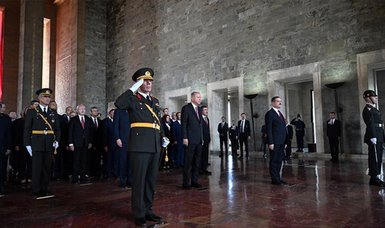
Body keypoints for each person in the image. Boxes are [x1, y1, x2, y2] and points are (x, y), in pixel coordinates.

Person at [115, 67, 166, 226]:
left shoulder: (155, 101)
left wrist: (163, 136)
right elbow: (119, 103)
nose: (149, 83)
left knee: (151, 181)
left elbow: (158, 121)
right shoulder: (132, 98)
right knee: (139, 181)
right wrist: (133, 88)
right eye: (145, 81)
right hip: (139, 146)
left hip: (155, 145)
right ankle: (138, 213)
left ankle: (148, 210)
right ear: (139, 83)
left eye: (150, 81)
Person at [23, 88, 61, 199]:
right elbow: (27, 129)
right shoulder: (32, 112)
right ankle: (36, 189)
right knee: (36, 167)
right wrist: (27, 144)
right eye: (45, 96)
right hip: (36, 143)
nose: (47, 99)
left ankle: (45, 189)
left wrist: (57, 141)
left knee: (46, 168)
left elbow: (57, 129)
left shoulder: (53, 112)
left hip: (49, 144)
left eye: (49, 97)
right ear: (39, 98)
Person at [362, 90, 385, 187]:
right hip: (373, 136)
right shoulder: (368, 109)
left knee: (378, 157)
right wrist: (373, 136)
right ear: (368, 98)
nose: (376, 98)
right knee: (374, 158)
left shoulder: (373, 108)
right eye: (374, 97)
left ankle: (375, 177)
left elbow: (379, 124)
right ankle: (374, 178)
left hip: (378, 135)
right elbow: (370, 123)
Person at [181, 91, 203, 189]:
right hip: (189, 140)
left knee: (197, 162)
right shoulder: (186, 108)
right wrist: (185, 137)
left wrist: (201, 138)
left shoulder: (199, 109)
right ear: (192, 98)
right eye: (198, 97)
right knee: (188, 162)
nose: (200, 99)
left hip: (198, 140)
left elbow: (200, 125)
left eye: (200, 97)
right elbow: (184, 124)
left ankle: (194, 181)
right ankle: (186, 183)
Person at [265, 96, 288, 185]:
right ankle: (275, 180)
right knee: (274, 160)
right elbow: (269, 129)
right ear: (273, 103)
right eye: (278, 101)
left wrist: (285, 141)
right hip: (274, 142)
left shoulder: (280, 113)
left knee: (279, 160)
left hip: (281, 141)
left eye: (280, 101)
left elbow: (283, 127)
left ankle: (278, 178)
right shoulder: (270, 114)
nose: (280, 103)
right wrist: (270, 142)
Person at [68, 104, 93, 184]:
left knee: (84, 161)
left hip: (85, 144)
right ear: (77, 110)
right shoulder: (73, 119)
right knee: (76, 161)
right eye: (81, 109)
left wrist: (90, 142)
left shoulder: (88, 119)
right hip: (76, 144)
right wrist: (70, 143)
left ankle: (83, 178)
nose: (83, 110)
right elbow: (70, 132)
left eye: (84, 109)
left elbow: (91, 132)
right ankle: (75, 178)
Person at [113, 108, 131, 188]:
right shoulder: (119, 111)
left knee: (131, 162)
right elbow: (115, 125)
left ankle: (130, 180)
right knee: (123, 161)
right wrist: (117, 138)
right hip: (122, 140)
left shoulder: (133, 110)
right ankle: (122, 181)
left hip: (133, 140)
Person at [0, 103, 12, 197]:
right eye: (3, 107)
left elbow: (9, 134)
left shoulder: (6, 118)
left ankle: (1, 187)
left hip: (3, 148)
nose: (4, 109)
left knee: (2, 168)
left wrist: (9, 147)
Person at [201, 105, 211, 175]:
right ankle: (200, 169)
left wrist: (209, 138)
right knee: (200, 155)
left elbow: (208, 130)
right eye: (205, 110)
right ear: (201, 111)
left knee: (206, 154)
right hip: (201, 140)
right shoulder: (199, 119)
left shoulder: (207, 119)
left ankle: (204, 168)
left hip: (207, 139)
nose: (206, 111)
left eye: (207, 109)